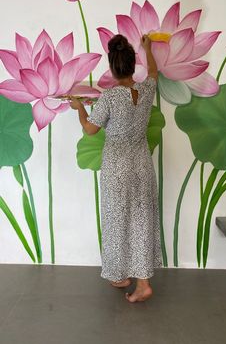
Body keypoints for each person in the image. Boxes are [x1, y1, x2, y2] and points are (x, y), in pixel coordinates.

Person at [69, 34, 163, 303]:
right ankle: (139, 280)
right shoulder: (146, 90)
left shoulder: (109, 98)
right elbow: (154, 71)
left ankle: (123, 275)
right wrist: (148, 48)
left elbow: (90, 130)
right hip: (142, 166)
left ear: (112, 68)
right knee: (140, 221)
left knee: (116, 221)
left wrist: (79, 108)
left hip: (117, 168)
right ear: (133, 65)